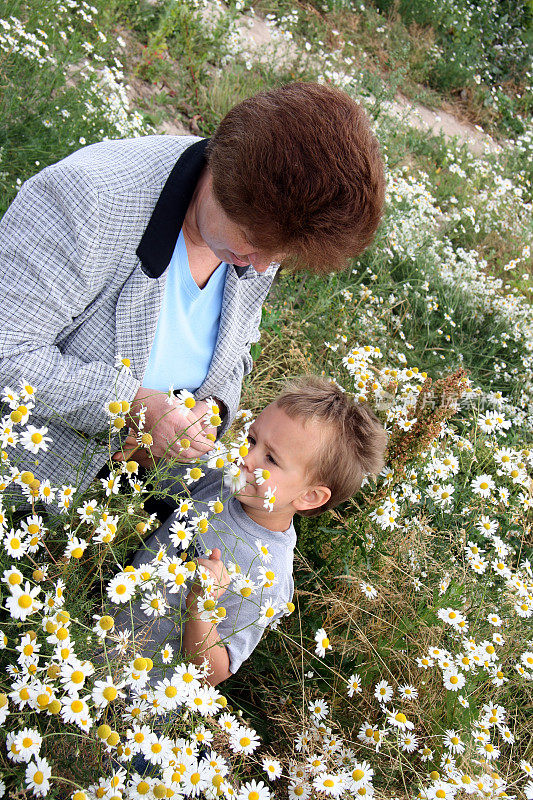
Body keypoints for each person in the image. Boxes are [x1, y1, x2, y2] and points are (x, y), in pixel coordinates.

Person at [0, 82, 385, 501]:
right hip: (27, 481)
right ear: (223, 178)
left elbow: (235, 356)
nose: (259, 267)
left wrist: (211, 416)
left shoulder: (261, 237)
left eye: (280, 257)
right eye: (254, 242)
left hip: (138, 494)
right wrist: (131, 406)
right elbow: (7, 352)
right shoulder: (88, 200)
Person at [112, 376, 388, 688]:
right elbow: (159, 479)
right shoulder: (222, 483)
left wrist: (201, 607)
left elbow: (214, 673)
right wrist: (139, 453)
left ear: (309, 496)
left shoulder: (266, 576)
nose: (246, 457)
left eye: (270, 458)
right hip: (104, 630)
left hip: (143, 691)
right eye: (253, 439)